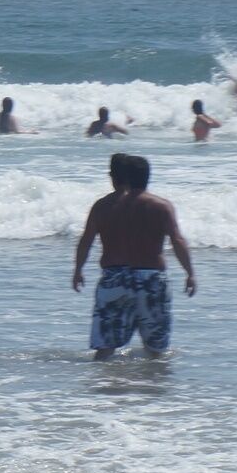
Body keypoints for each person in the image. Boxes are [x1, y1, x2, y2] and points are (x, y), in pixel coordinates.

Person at [74, 153, 198, 361]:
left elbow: (86, 240)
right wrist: (190, 273)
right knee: (156, 350)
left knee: (105, 348)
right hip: (151, 279)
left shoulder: (104, 206)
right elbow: (177, 240)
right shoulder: (161, 206)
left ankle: (100, 390)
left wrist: (78, 270)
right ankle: (151, 389)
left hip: (114, 278)